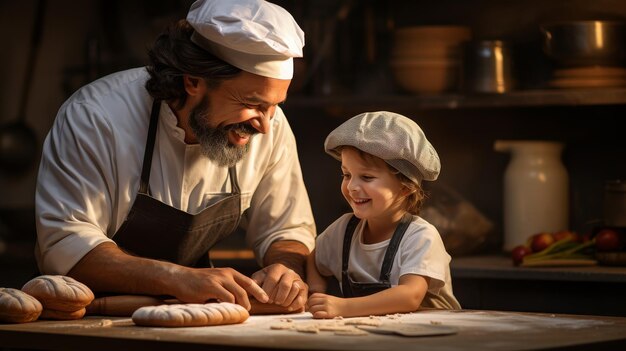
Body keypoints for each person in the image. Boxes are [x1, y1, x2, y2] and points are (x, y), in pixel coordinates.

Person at [34, 0, 316, 313]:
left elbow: (286, 230)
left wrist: (286, 269)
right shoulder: (95, 117)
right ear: (193, 80)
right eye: (252, 103)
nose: (264, 125)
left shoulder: (269, 126)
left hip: (193, 314)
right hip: (90, 317)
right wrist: (176, 278)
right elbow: (66, 244)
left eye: (274, 105)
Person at [306, 111, 461, 319]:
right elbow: (314, 257)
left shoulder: (421, 237)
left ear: (406, 187)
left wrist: (343, 308)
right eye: (346, 174)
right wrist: (316, 290)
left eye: (367, 177)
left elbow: (409, 296)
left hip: (432, 336)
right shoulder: (343, 231)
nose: (351, 186)